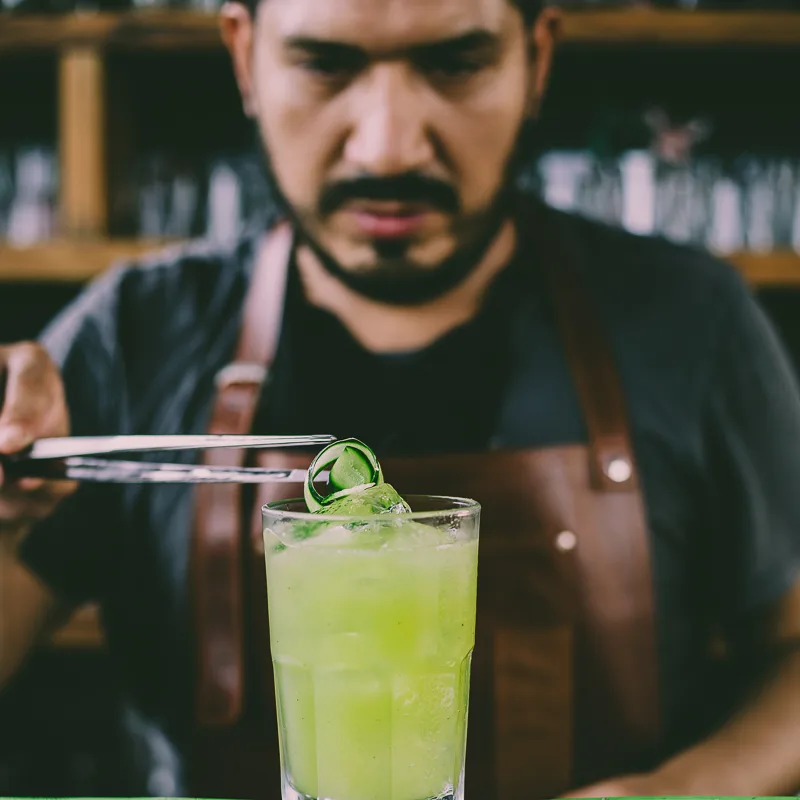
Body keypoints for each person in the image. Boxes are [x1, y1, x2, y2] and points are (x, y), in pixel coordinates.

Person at [3, 0, 800, 796]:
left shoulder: (695, 324)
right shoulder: (132, 334)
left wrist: (687, 788)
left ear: (538, 58)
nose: (388, 143)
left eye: (456, 63)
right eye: (325, 63)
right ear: (245, 58)